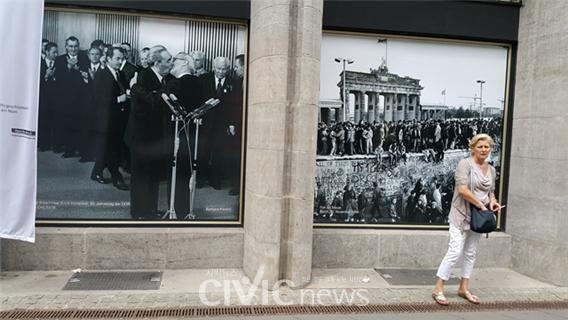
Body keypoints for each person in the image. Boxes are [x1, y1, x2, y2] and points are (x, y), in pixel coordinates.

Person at [432, 133, 501, 306]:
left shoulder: (491, 169)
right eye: (480, 146)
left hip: (479, 217)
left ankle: (464, 288)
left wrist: (493, 202)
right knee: (455, 250)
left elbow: (490, 191)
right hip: (461, 213)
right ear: (473, 147)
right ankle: (438, 288)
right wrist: (481, 204)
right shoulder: (465, 164)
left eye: (487, 147)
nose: (484, 150)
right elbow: (462, 190)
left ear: (491, 149)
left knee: (470, 252)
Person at [128, 46, 174, 219]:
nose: (171, 63)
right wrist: (163, 91)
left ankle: (151, 210)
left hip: (154, 136)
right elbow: (152, 102)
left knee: (153, 175)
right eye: (168, 60)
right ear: (157, 62)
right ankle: (139, 213)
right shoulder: (145, 76)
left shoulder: (163, 77)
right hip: (141, 136)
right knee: (141, 176)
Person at [90, 47, 130, 191]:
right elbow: (98, 99)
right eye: (117, 58)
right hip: (105, 119)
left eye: (121, 58)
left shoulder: (120, 74)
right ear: (108, 58)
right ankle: (116, 177)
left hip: (117, 118)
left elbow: (122, 90)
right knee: (111, 149)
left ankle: (96, 172)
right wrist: (120, 98)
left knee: (109, 147)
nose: (120, 61)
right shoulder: (101, 75)